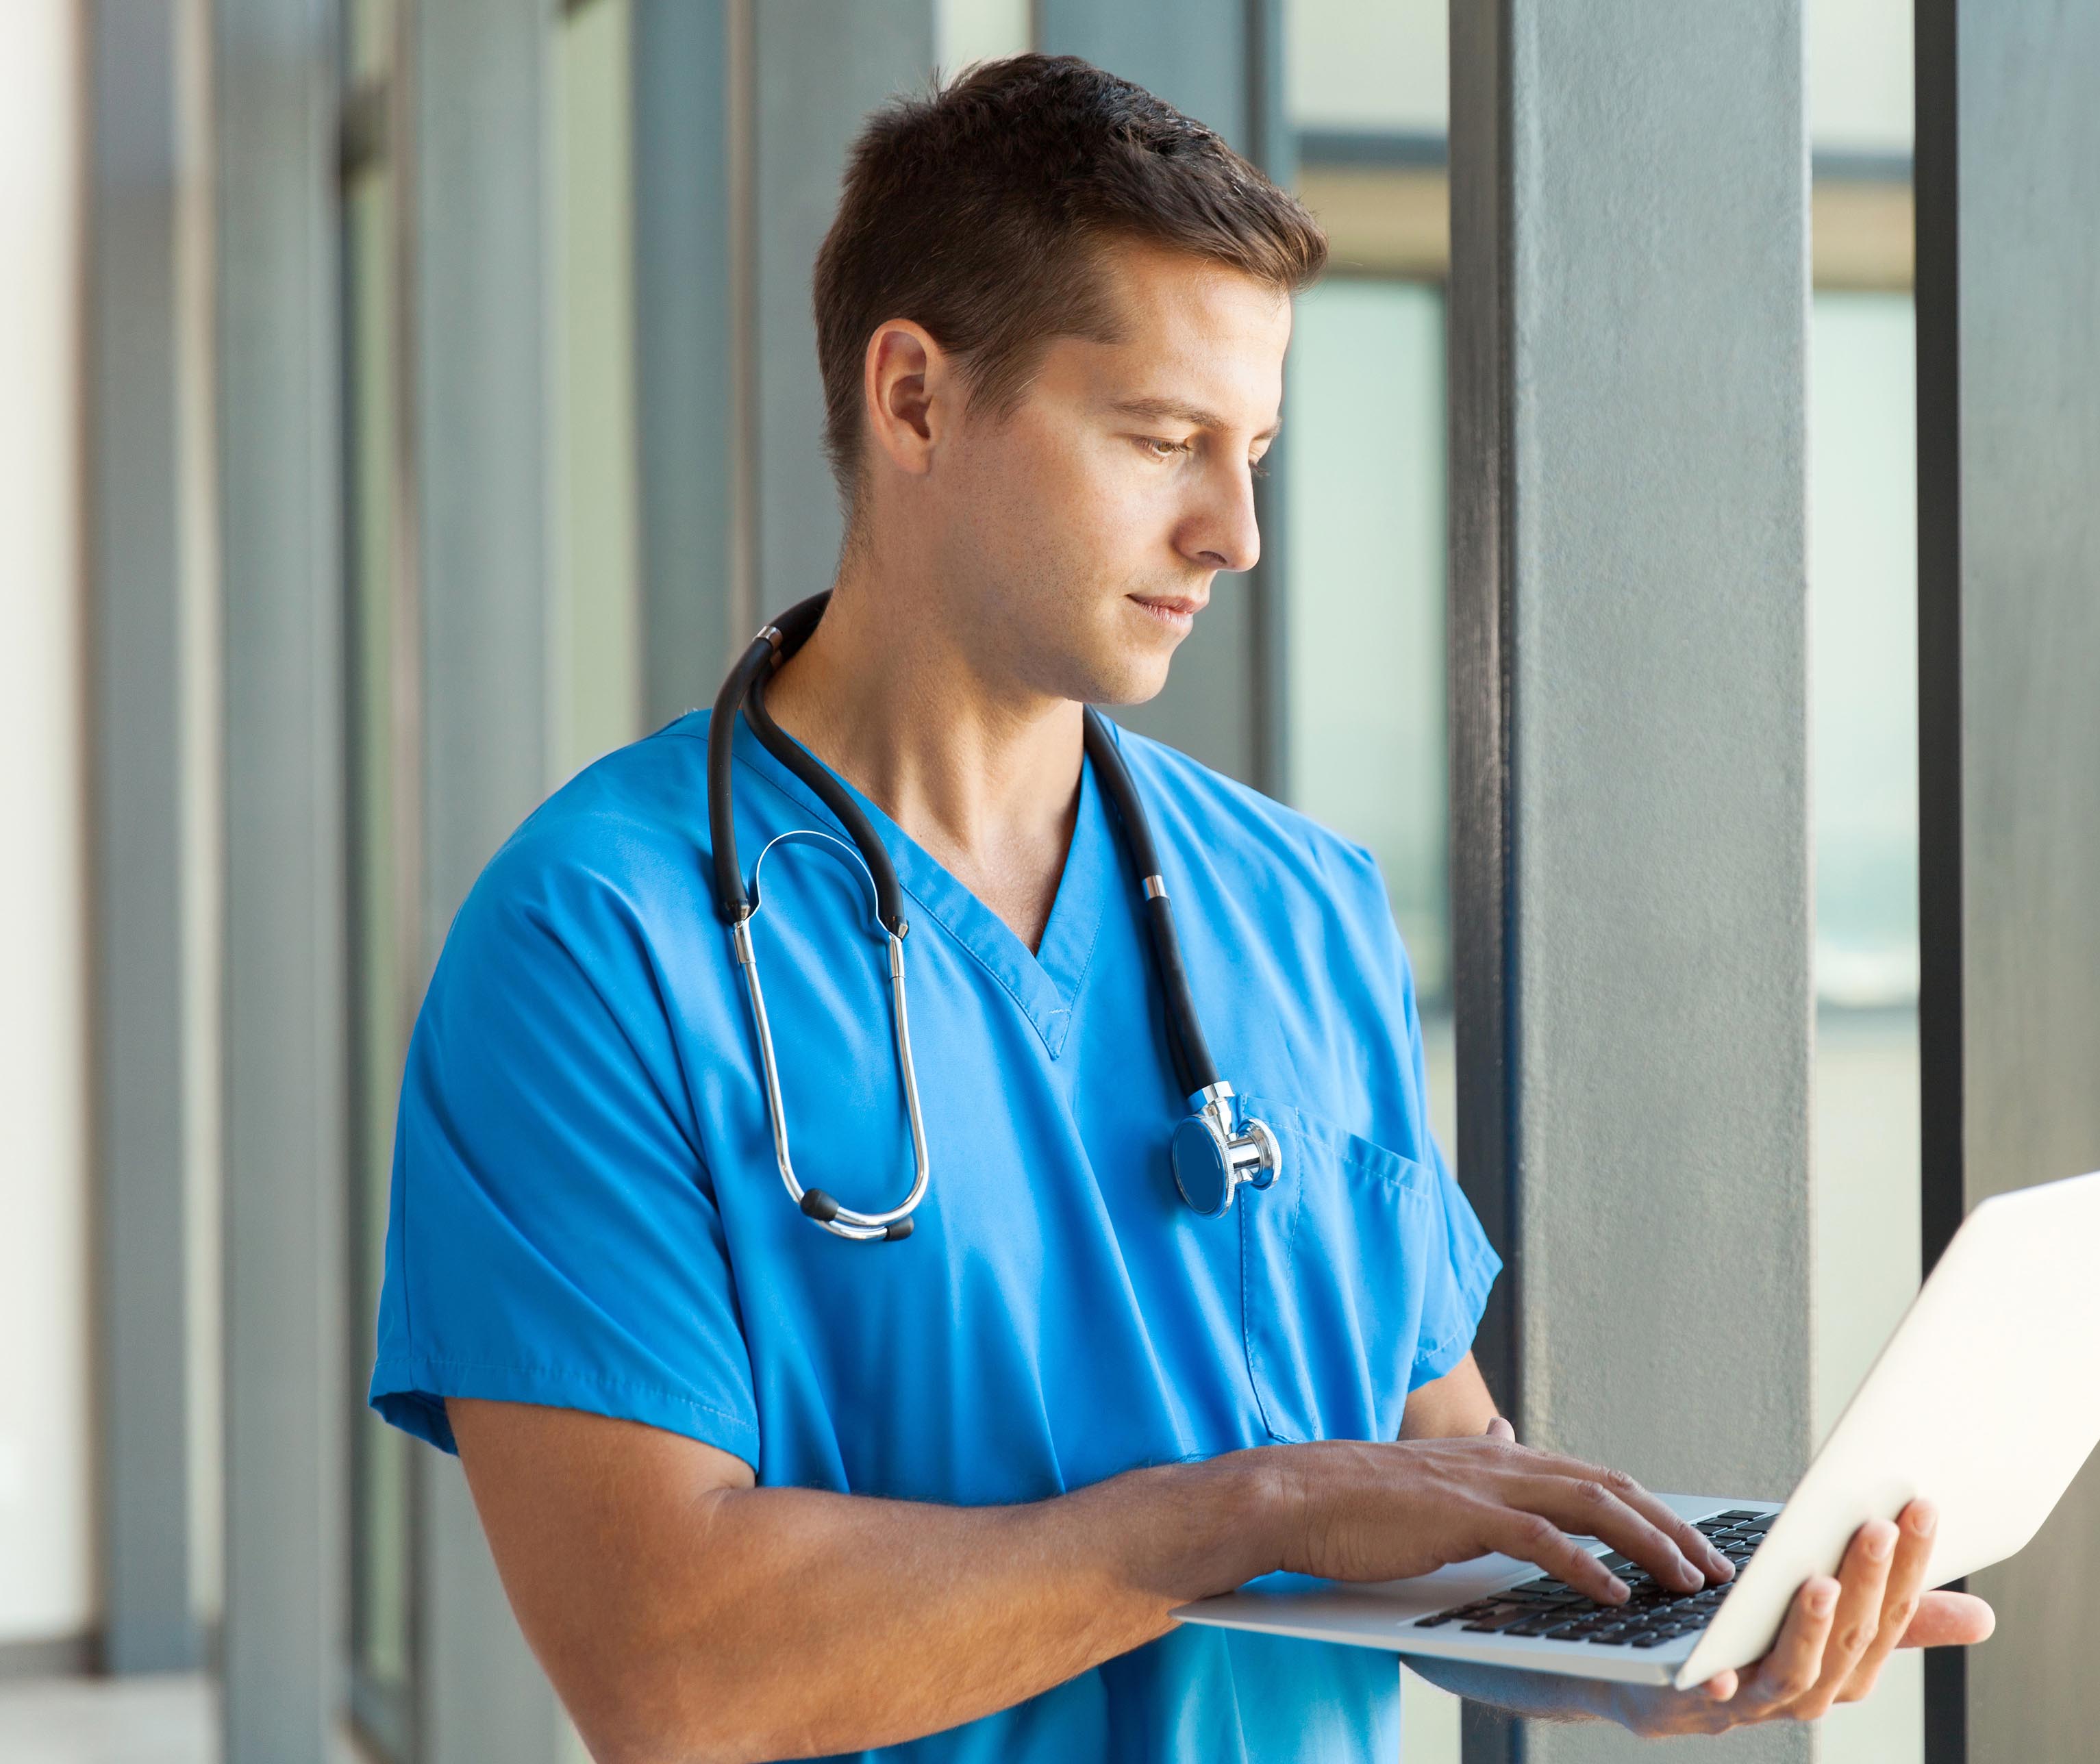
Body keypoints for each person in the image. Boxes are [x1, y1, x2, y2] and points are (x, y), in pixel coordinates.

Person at [367, 53, 1988, 1764]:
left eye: (1260, 449)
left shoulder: (1300, 909)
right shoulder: (593, 950)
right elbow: (672, 1669)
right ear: (914, 400)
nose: (1237, 532)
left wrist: (1678, 1637)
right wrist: (1249, 1505)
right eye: (1165, 442)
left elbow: (1435, 1496)